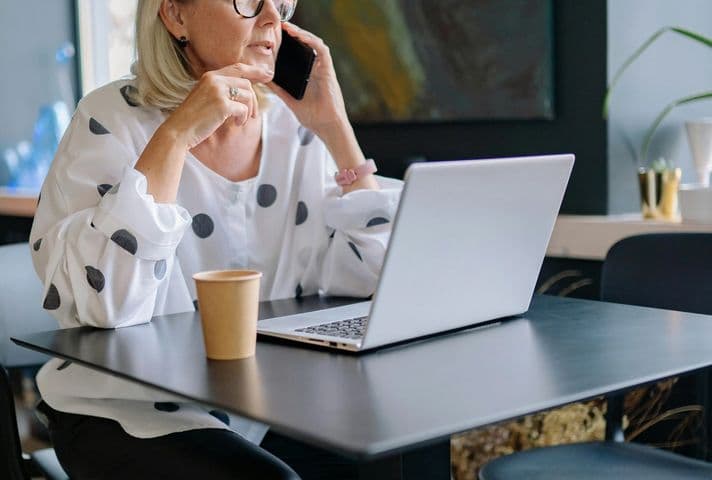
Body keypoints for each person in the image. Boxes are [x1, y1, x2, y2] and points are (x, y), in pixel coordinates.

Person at [29, 0, 402, 478]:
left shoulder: (293, 127)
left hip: (266, 405)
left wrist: (334, 127)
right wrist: (179, 132)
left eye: (282, 3)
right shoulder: (110, 117)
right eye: (248, 1)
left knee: (390, 454)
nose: (273, 19)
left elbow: (374, 276)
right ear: (175, 16)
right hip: (124, 407)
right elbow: (107, 304)